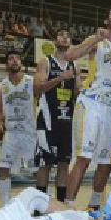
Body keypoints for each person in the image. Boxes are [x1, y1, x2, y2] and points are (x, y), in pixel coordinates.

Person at [61, 6, 111, 217]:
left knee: (106, 161)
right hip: (91, 103)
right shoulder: (97, 41)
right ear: (106, 21)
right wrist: (94, 39)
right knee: (83, 157)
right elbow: (69, 55)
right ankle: (68, 207)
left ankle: (94, 207)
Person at [32, 29, 79, 204]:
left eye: (68, 35)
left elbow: (78, 93)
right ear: (55, 41)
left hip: (66, 121)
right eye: (61, 35)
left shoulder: (74, 66)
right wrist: (60, 78)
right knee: (45, 164)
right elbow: (36, 89)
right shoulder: (46, 62)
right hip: (48, 121)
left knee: (64, 165)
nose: (65, 37)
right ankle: (39, 205)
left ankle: (59, 204)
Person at [0, 51, 37, 206]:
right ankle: (5, 204)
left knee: (35, 171)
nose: (14, 61)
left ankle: (37, 203)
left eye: (17, 58)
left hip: (30, 132)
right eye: (11, 58)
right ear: (6, 65)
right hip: (11, 132)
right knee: (4, 167)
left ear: (21, 64)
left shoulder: (31, 81)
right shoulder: (1, 86)